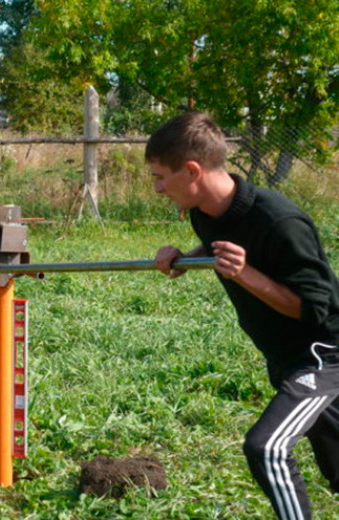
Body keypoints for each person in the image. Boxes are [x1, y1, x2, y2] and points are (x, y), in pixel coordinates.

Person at [148, 112, 339, 519]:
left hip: (325, 355)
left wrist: (246, 275)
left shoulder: (281, 221)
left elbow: (315, 309)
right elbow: (219, 246)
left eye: (161, 177)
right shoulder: (207, 210)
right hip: (287, 358)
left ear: (193, 170)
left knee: (267, 448)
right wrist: (187, 258)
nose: (158, 188)